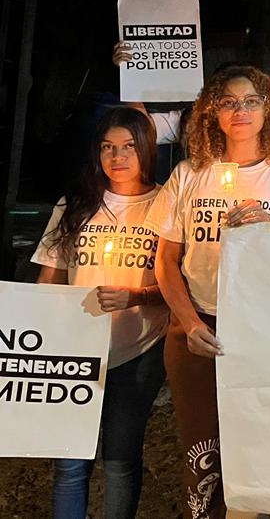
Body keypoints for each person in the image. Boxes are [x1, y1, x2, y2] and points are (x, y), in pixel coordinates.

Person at [145, 65, 270, 519]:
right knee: (202, 450)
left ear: (268, 109)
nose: (240, 110)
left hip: (267, 332)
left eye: (250, 101)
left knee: (262, 449)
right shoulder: (190, 174)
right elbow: (166, 261)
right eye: (227, 102)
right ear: (213, 113)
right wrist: (189, 323)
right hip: (198, 326)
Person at [33, 107, 168, 519]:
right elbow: (50, 276)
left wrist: (136, 296)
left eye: (128, 146)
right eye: (107, 147)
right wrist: (43, 329)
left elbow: (181, 285)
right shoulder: (75, 203)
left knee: (120, 461)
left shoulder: (166, 203)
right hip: (75, 350)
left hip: (138, 350)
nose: (117, 157)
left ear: (146, 149)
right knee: (70, 462)